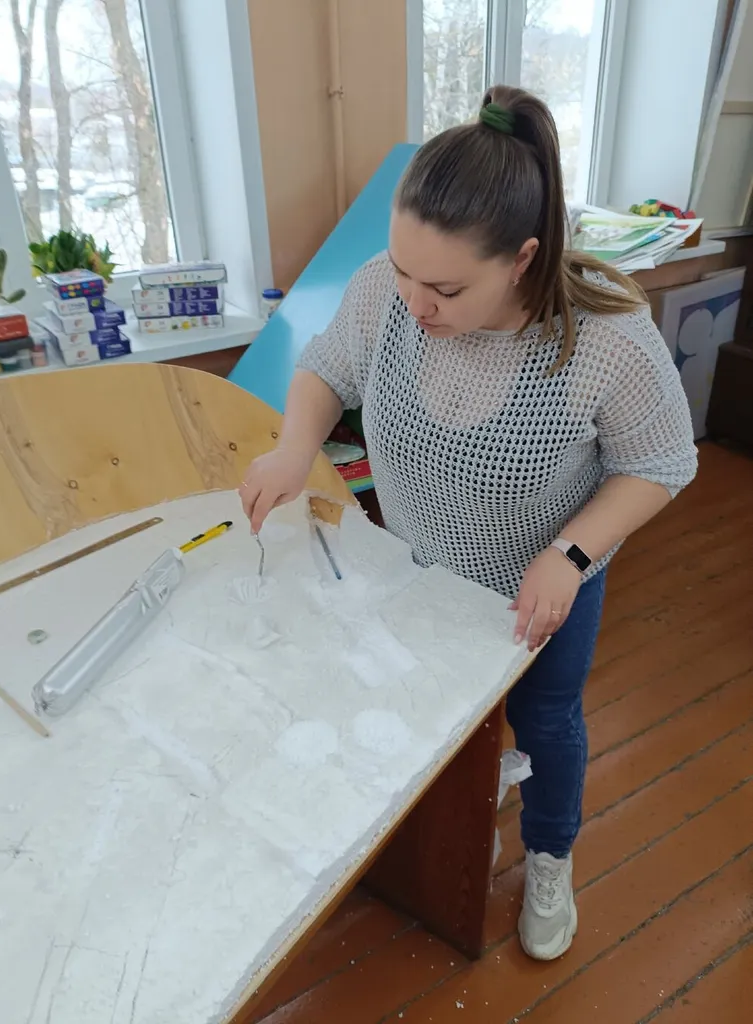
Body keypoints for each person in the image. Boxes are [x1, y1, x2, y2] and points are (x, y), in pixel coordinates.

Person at [240, 85, 697, 961]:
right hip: (417, 572)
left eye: (445, 288)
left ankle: (550, 855)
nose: (415, 304)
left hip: (537, 588)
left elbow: (661, 464)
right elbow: (326, 367)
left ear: (521, 259)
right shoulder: (387, 295)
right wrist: (295, 447)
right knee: (431, 709)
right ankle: (458, 824)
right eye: (402, 272)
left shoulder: (604, 339)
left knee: (546, 722)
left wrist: (569, 554)